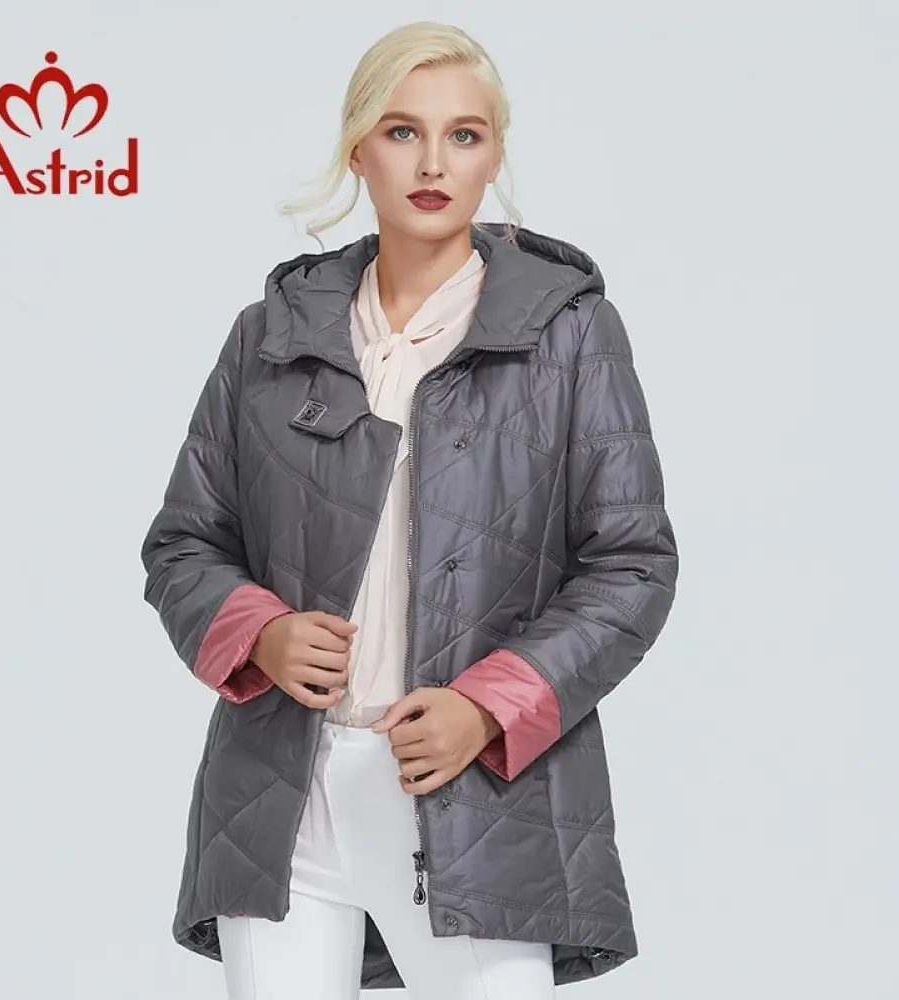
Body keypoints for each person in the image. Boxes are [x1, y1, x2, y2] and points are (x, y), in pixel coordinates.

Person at [139, 20, 678, 1000]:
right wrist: (260, 634)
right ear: (358, 150)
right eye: (402, 131)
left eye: (464, 135)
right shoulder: (269, 336)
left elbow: (632, 564)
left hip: (477, 797)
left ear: (494, 155)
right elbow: (184, 541)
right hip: (282, 801)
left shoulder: (570, 336)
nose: (433, 163)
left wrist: (487, 706)